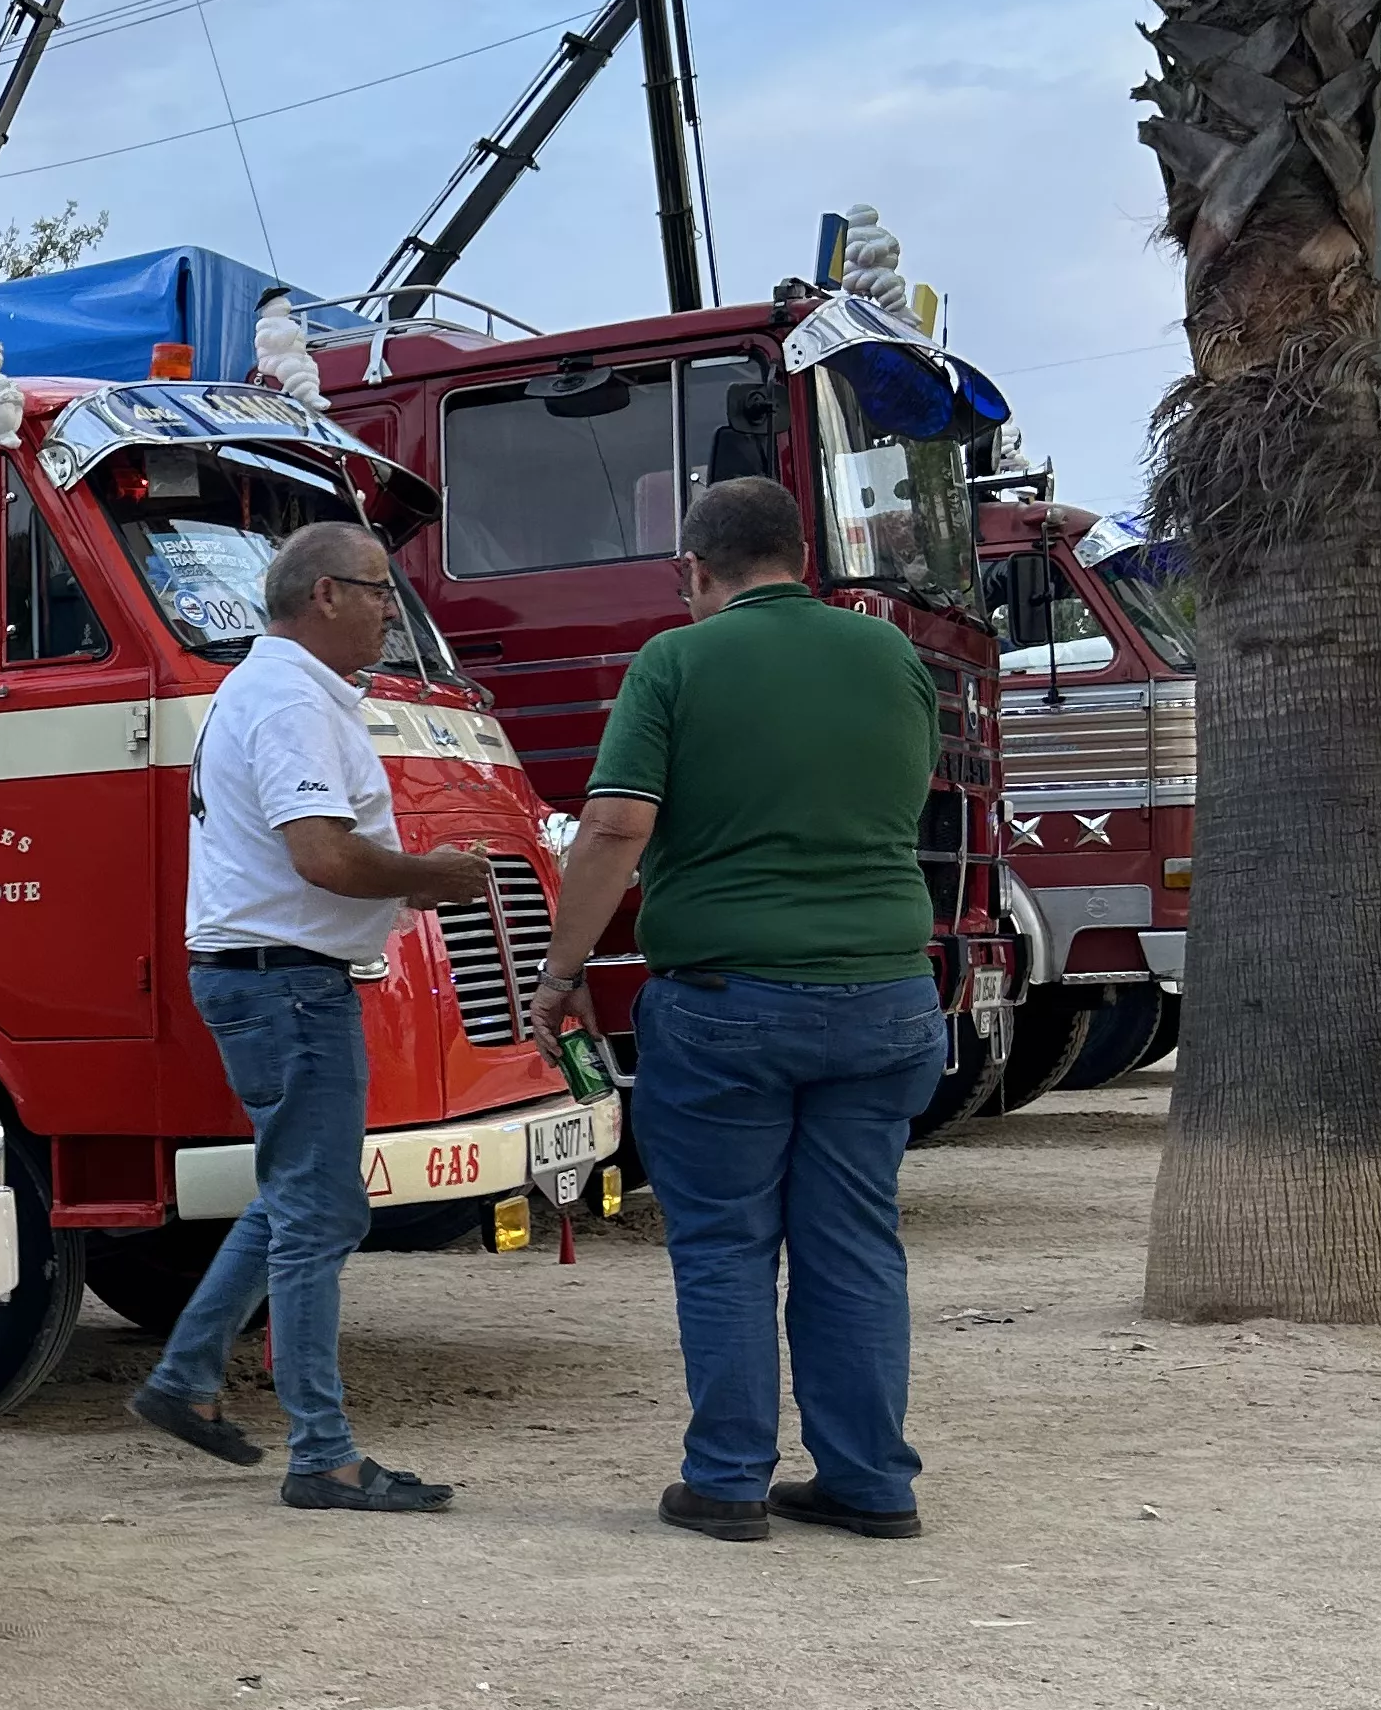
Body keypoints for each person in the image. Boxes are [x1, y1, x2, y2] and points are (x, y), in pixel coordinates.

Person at [525, 475, 946, 1543]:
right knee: (854, 1242)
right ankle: (869, 1481)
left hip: (728, 1002)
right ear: (802, 557)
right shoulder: (892, 654)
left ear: (694, 573)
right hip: (887, 993)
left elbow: (616, 827)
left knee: (724, 1244)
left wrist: (563, 970)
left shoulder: (676, 659)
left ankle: (726, 1478)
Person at [129, 521, 494, 1511]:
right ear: (323, 596)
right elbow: (323, 858)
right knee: (319, 1210)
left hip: (269, 975)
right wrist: (433, 877)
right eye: (378, 589)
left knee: (302, 1196)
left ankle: (189, 1375)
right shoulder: (291, 697)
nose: (391, 607)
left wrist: (406, 880)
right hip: (287, 980)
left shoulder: (271, 688)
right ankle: (320, 1452)